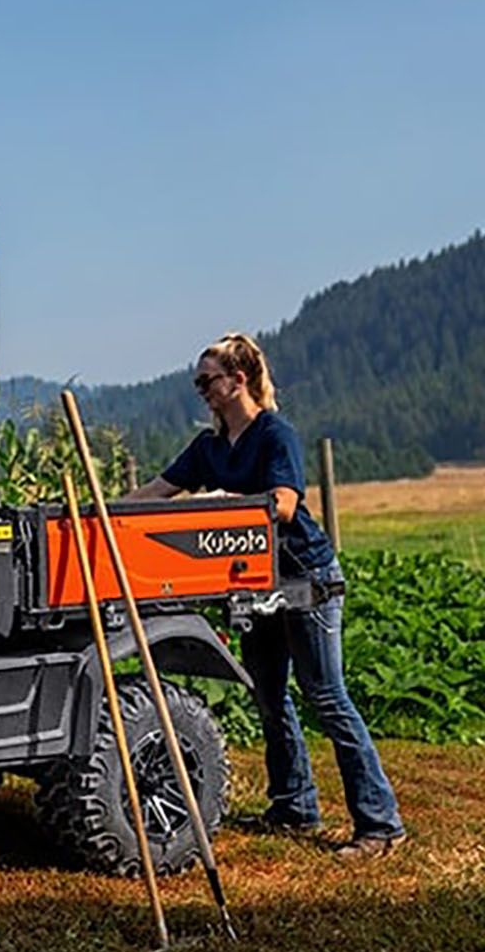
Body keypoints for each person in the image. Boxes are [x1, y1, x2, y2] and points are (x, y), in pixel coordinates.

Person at [128, 332, 405, 860]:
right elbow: (157, 492)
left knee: (326, 696)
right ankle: (295, 805)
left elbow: (281, 504)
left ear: (239, 380)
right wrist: (107, 512)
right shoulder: (209, 447)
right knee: (269, 695)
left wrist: (225, 501)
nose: (202, 391)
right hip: (255, 584)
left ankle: (380, 824)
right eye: (197, 383)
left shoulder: (276, 434)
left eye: (208, 380)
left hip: (306, 578)